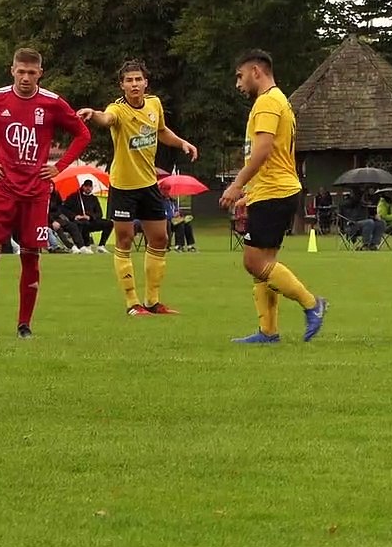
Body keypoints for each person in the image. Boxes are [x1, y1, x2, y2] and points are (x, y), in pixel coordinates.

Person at [0, 47, 91, 340]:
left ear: (40, 73)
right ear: (12, 70)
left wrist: (60, 166)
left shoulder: (52, 103)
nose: (26, 77)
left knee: (30, 257)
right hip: (3, 191)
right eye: (21, 71)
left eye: (32, 72)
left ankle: (24, 326)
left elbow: (83, 134)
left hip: (36, 193)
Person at [219, 49, 326, 344]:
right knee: (264, 264)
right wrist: (251, 192)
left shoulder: (267, 102)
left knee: (254, 262)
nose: (238, 84)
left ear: (256, 71)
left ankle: (312, 303)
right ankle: (268, 332)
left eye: (240, 76)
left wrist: (237, 185)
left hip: (275, 192)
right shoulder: (281, 101)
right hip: (275, 189)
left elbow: (263, 151)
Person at [78, 60, 197, 316]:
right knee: (125, 239)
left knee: (160, 238)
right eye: (129, 80)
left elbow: (162, 131)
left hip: (148, 185)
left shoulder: (154, 104)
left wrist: (182, 143)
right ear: (122, 85)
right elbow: (106, 118)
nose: (134, 84)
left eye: (137, 79)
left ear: (146, 83)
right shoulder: (118, 110)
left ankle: (153, 301)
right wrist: (94, 113)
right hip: (123, 187)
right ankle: (133, 304)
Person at [68, 180, 112, 253]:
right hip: (79, 221)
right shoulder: (74, 197)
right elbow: (65, 209)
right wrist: (75, 216)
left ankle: (101, 245)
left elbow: (99, 213)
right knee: (83, 223)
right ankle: (86, 245)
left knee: (109, 223)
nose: (88, 188)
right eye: (86, 186)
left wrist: (90, 217)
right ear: (83, 186)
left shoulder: (93, 198)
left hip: (91, 221)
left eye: (90, 186)